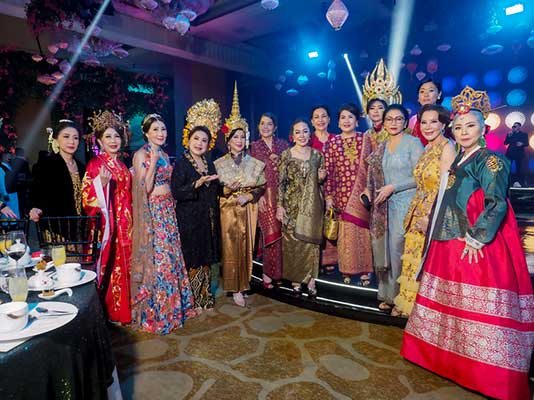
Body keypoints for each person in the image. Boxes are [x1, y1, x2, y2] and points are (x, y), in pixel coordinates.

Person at [401, 87, 534, 400]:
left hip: (475, 242)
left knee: (478, 304)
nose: (463, 132)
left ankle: (487, 375)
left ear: (483, 128)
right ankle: (445, 361)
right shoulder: (459, 160)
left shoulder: (492, 161)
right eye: (458, 127)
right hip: (448, 240)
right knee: (452, 301)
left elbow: (496, 203)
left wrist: (477, 238)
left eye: (470, 126)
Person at [130, 113, 196, 334]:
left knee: (173, 257)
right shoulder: (141, 154)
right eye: (156, 129)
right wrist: (153, 161)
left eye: (163, 129)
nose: (161, 133)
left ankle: (176, 310)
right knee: (160, 260)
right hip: (154, 212)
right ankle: (159, 314)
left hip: (168, 210)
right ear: (146, 133)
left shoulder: (166, 155)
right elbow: (145, 189)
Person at [391, 105, 455, 317]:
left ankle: (421, 309)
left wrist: (431, 218)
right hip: (417, 212)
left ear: (443, 124)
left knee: (425, 262)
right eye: (424, 122)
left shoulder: (447, 148)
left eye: (433, 122)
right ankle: (408, 303)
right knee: (413, 259)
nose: (428, 127)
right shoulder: (427, 147)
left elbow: (447, 189)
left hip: (432, 214)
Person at [363, 104, 423, 312]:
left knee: (398, 248)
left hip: (405, 203)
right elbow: (373, 175)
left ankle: (402, 298)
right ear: (384, 122)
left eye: (398, 119)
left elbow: (420, 177)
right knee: (385, 249)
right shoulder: (383, 145)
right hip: (383, 206)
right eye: (389, 119)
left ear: (405, 122)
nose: (393, 123)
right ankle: (387, 295)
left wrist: (393, 187)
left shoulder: (413, 143)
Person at [215, 89, 265, 307]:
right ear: (228, 140)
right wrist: (227, 190)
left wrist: (249, 195)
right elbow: (215, 190)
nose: (239, 140)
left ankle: (243, 284)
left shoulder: (253, 163)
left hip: (248, 208)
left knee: (247, 246)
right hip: (227, 208)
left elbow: (261, 186)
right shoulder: (219, 163)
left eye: (242, 136)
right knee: (230, 247)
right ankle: (233, 287)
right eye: (235, 137)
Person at [82, 110, 132, 324]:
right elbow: (86, 197)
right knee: (112, 265)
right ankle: (112, 311)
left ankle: (126, 308)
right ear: (100, 141)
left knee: (126, 264)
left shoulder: (121, 164)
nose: (113, 140)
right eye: (108, 136)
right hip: (109, 223)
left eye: (116, 136)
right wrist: (100, 185)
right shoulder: (96, 164)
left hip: (126, 222)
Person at [172, 102, 221, 312]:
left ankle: (205, 297)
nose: (199, 143)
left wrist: (226, 186)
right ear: (188, 140)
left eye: (204, 140)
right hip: (189, 219)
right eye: (196, 139)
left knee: (206, 258)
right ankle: (194, 300)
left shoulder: (209, 164)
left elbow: (215, 190)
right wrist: (196, 184)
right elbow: (176, 191)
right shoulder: (182, 163)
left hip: (207, 218)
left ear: (209, 144)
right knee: (193, 258)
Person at [324, 103, 373, 285]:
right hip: (341, 195)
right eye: (343, 117)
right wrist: (329, 196)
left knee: (362, 234)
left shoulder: (365, 139)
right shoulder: (332, 142)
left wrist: (369, 189)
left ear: (357, 121)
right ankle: (346, 270)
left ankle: (365, 271)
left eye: (350, 117)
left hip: (361, 195)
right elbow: (328, 171)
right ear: (338, 122)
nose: (346, 121)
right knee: (345, 235)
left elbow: (372, 168)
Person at [277, 118, 326, 295]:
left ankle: (311, 280)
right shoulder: (286, 155)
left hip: (312, 207)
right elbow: (281, 183)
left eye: (305, 131)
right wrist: (279, 206)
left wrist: (321, 179)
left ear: (310, 133)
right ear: (292, 135)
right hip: (291, 206)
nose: (302, 135)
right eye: (298, 132)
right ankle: (296, 279)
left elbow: (321, 184)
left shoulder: (317, 155)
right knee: (293, 243)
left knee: (311, 243)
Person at [249, 111, 289, 289]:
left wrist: (279, 160)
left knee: (282, 235)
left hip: (283, 196)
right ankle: (267, 274)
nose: (265, 127)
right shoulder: (254, 147)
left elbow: (289, 168)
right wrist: (257, 197)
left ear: (275, 127)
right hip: (264, 195)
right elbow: (251, 175)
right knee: (270, 235)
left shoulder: (283, 145)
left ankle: (279, 273)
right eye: (262, 123)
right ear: (258, 126)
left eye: (269, 124)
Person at [29, 120, 85, 228]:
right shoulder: (46, 164)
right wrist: (35, 208)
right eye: (66, 137)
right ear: (56, 140)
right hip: (56, 226)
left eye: (75, 138)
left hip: (81, 226)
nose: (71, 141)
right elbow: (36, 193)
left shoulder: (82, 167)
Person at [310, 105, 337, 274]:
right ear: (312, 121)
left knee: (332, 222)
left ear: (329, 119)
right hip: (313, 189)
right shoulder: (307, 140)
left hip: (334, 188)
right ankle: (316, 260)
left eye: (324, 116)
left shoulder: (336, 139)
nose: (320, 120)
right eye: (316, 117)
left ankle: (331, 261)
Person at [361, 58, 403, 151]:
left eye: (380, 108)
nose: (376, 111)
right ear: (367, 111)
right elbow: (364, 158)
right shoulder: (368, 134)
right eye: (372, 108)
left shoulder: (394, 129)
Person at [408, 79, 443, 146]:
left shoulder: (444, 117)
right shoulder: (413, 120)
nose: (426, 94)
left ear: (439, 94)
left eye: (431, 90)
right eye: (422, 91)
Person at [504, 121, 529, 186]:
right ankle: (508, 182)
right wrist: (509, 136)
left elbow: (527, 143)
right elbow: (505, 143)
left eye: (516, 126)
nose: (514, 127)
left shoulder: (524, 134)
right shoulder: (510, 134)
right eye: (513, 125)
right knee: (508, 167)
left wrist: (522, 144)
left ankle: (519, 182)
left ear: (519, 127)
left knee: (519, 168)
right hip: (510, 153)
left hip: (519, 153)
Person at [10, 148, 31, 217]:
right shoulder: (24, 162)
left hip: (14, 185)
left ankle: (17, 214)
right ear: (22, 153)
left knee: (16, 200)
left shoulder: (11, 162)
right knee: (23, 200)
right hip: (23, 184)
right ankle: (23, 214)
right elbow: (28, 175)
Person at [0, 152, 19, 219]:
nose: (9, 157)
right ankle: (7, 223)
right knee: (8, 210)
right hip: (7, 193)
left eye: (9, 156)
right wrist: (5, 193)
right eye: (6, 156)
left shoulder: (9, 167)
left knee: (14, 209)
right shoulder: (1, 168)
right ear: (2, 158)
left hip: (13, 192)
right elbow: (1, 182)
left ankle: (14, 222)